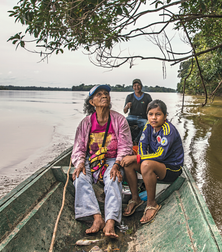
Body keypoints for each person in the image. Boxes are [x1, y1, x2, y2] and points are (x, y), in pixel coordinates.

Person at [71, 84, 133, 237]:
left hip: (112, 159)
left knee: (113, 179)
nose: (104, 96)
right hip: (91, 159)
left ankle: (111, 221)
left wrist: (117, 165)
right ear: (92, 102)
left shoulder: (119, 120)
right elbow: (79, 148)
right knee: (79, 177)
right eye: (99, 94)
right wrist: (79, 163)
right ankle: (97, 217)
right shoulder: (85, 123)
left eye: (106, 93)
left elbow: (125, 147)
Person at [120, 99, 184, 224]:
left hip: (171, 167)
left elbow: (160, 155)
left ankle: (152, 204)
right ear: (147, 115)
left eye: (158, 114)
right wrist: (137, 158)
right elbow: (142, 147)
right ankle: (135, 199)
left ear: (165, 116)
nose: (154, 118)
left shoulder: (167, 130)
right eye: (150, 114)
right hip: (156, 164)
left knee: (145, 164)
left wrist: (136, 158)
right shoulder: (148, 127)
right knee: (129, 164)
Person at [123, 79, 152, 144]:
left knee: (147, 125)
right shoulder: (129, 97)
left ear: (141, 86)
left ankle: (137, 140)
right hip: (131, 117)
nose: (137, 87)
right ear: (133, 87)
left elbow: (152, 109)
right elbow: (125, 111)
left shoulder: (147, 97)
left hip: (143, 118)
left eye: (138, 85)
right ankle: (124, 140)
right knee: (122, 122)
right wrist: (127, 106)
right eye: (135, 86)